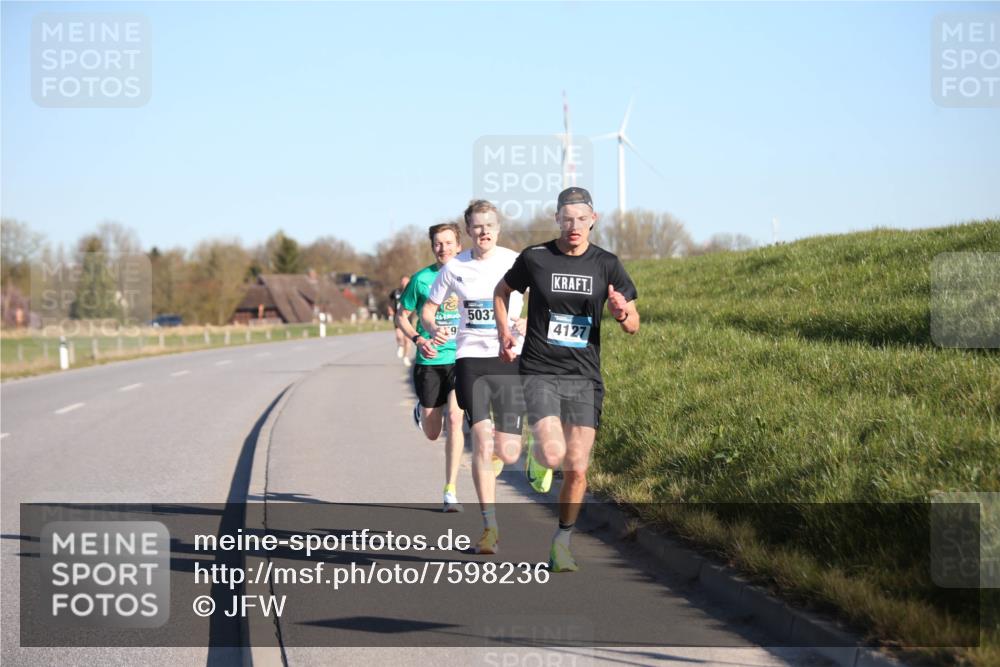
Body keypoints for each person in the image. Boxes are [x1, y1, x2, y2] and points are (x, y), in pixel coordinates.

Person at [493, 187, 640, 571]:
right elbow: (502, 290)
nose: (574, 225)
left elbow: (634, 325)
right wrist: (504, 333)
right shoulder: (536, 258)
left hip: (584, 376)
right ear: (557, 219)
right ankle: (540, 454)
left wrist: (622, 312)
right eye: (567, 218)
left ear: (594, 220)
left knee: (577, 467)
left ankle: (562, 541)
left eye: (581, 218)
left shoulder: (607, 264)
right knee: (555, 452)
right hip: (540, 368)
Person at [422, 200, 548, 555]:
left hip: (509, 355)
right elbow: (429, 309)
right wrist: (434, 329)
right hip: (470, 358)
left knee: (508, 450)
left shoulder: (515, 262)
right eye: (477, 226)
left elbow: (543, 297)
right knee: (479, 437)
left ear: (498, 227)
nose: (484, 231)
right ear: (469, 230)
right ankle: (489, 527)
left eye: (490, 225)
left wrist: (527, 321)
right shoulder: (454, 268)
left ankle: (508, 452)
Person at [394, 223, 465, 512]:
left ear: (459, 246)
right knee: (433, 431)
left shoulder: (469, 274)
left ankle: (450, 490)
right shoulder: (421, 279)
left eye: (449, 243)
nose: (444, 248)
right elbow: (402, 316)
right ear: (432, 246)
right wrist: (417, 339)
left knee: (456, 419)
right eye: (438, 243)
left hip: (462, 359)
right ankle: (422, 410)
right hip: (430, 360)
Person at [387, 275, 412, 365]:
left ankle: (406, 357)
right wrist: (390, 309)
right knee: (399, 335)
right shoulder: (396, 292)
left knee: (408, 340)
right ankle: (400, 346)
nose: (404, 283)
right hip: (398, 316)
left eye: (406, 282)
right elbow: (390, 301)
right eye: (403, 281)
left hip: (408, 319)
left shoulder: (411, 291)